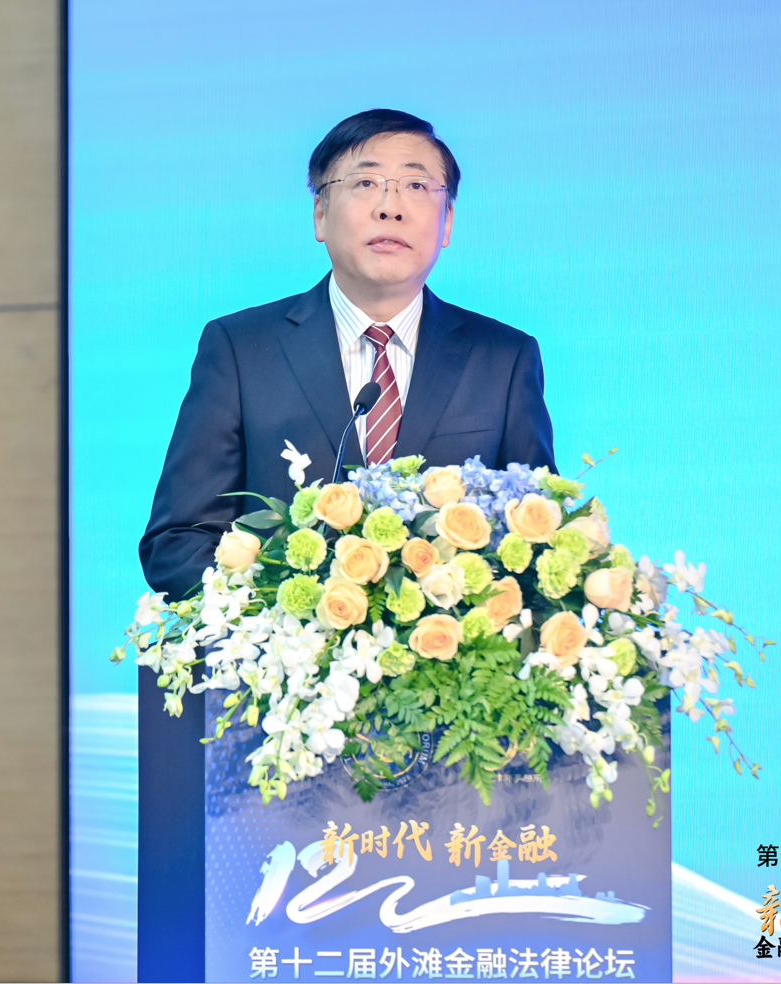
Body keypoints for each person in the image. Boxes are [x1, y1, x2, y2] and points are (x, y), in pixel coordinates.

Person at [133, 108, 556, 981]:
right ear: (320, 214)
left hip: (452, 774)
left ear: (447, 221)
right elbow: (176, 542)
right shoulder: (241, 348)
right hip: (273, 771)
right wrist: (297, 618)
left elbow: (538, 561)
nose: (391, 205)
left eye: (416, 186)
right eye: (365, 183)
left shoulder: (504, 358)